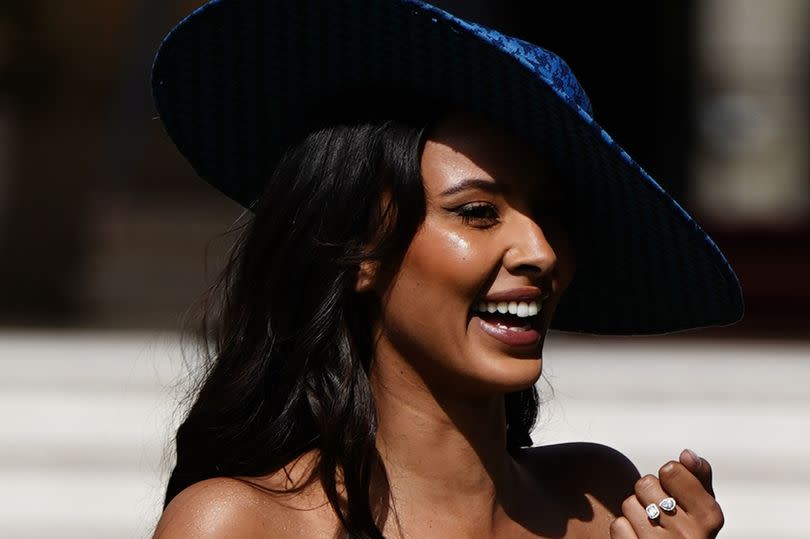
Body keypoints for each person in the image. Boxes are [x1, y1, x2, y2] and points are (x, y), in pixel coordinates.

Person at [150, 1, 743, 537]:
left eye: (554, 217)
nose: (540, 252)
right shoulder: (238, 526)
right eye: (478, 212)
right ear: (359, 247)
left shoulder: (602, 501)